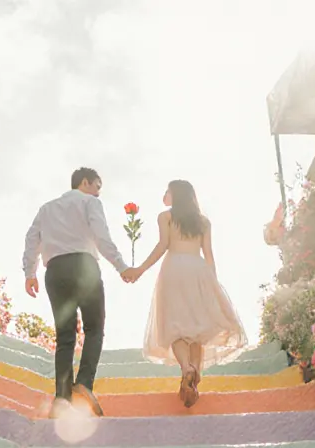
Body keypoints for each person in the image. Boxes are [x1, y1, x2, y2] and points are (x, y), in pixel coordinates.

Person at [122, 180, 247, 407]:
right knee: (197, 328)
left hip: (173, 270)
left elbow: (162, 246)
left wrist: (140, 269)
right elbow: (209, 254)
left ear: (176, 195)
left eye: (167, 191)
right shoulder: (203, 222)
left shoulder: (165, 217)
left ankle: (186, 369)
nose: (164, 194)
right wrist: (213, 284)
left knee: (176, 326)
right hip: (198, 270)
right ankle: (194, 377)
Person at [23, 167, 135, 416]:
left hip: (55, 271)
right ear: (85, 183)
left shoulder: (47, 208)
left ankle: (62, 397)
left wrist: (29, 274)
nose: (97, 193)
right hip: (84, 266)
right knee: (94, 327)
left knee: (65, 336)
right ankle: (84, 382)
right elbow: (102, 237)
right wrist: (121, 266)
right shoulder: (90, 204)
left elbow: (32, 240)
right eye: (97, 186)